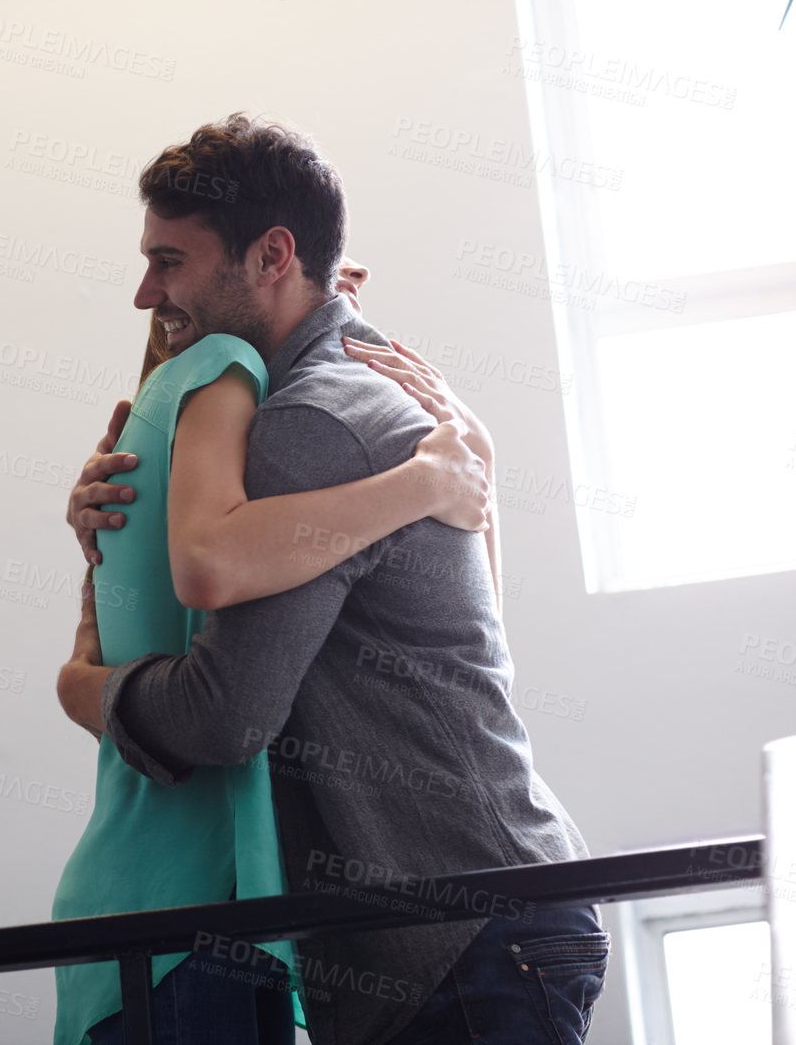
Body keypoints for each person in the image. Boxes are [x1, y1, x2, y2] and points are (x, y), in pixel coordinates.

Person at [57, 114, 604, 1045]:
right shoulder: (360, 392)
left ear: (273, 255)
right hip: (484, 917)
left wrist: (88, 687)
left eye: (171, 260)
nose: (146, 292)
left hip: (460, 930)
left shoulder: (315, 424)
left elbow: (226, 714)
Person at [51, 247, 496, 1045]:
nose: (344, 321)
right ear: (272, 272)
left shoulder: (289, 432)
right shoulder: (228, 376)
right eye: (334, 291)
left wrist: (472, 479)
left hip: (241, 915)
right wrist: (430, 483)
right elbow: (212, 678)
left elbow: (474, 650)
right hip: (190, 914)